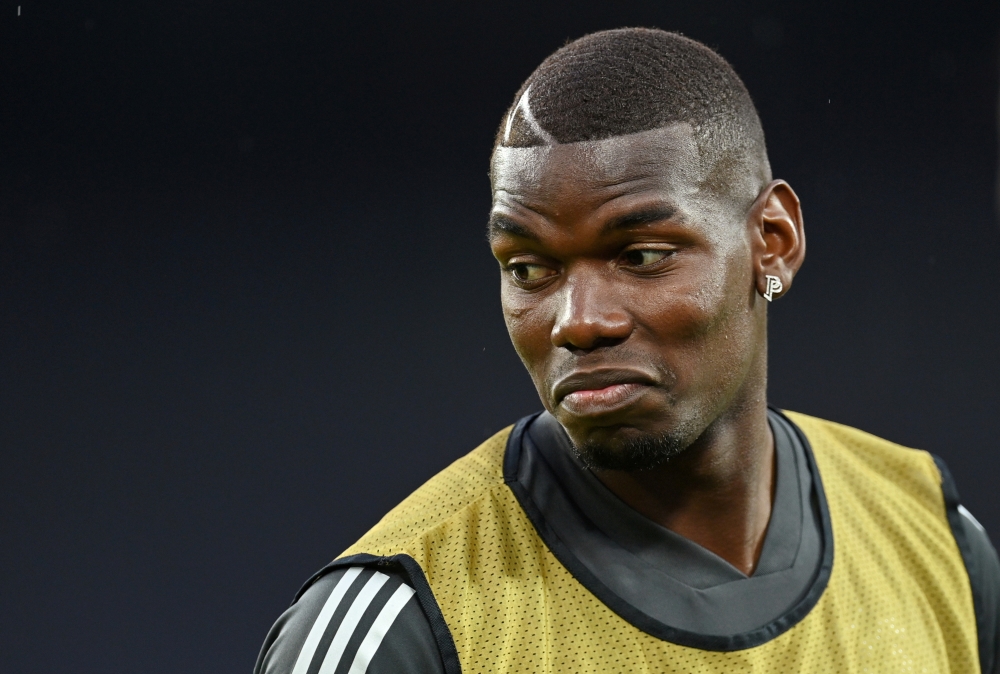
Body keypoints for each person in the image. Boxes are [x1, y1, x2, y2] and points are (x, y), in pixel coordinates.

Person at [253, 28, 1000, 673]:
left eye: (641, 256)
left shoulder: (934, 538)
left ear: (772, 244)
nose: (578, 323)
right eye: (528, 269)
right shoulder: (400, 625)